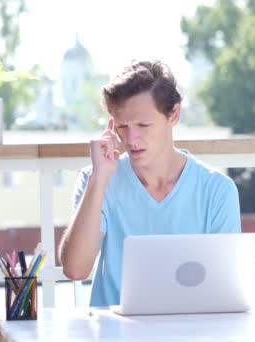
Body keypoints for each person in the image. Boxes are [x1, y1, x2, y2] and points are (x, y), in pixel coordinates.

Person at [58, 60, 241, 307]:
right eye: (122, 126)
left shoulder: (217, 190)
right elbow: (75, 270)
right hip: (115, 334)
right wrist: (99, 178)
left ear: (173, 114)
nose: (131, 139)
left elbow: (227, 290)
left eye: (143, 125)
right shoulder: (97, 180)